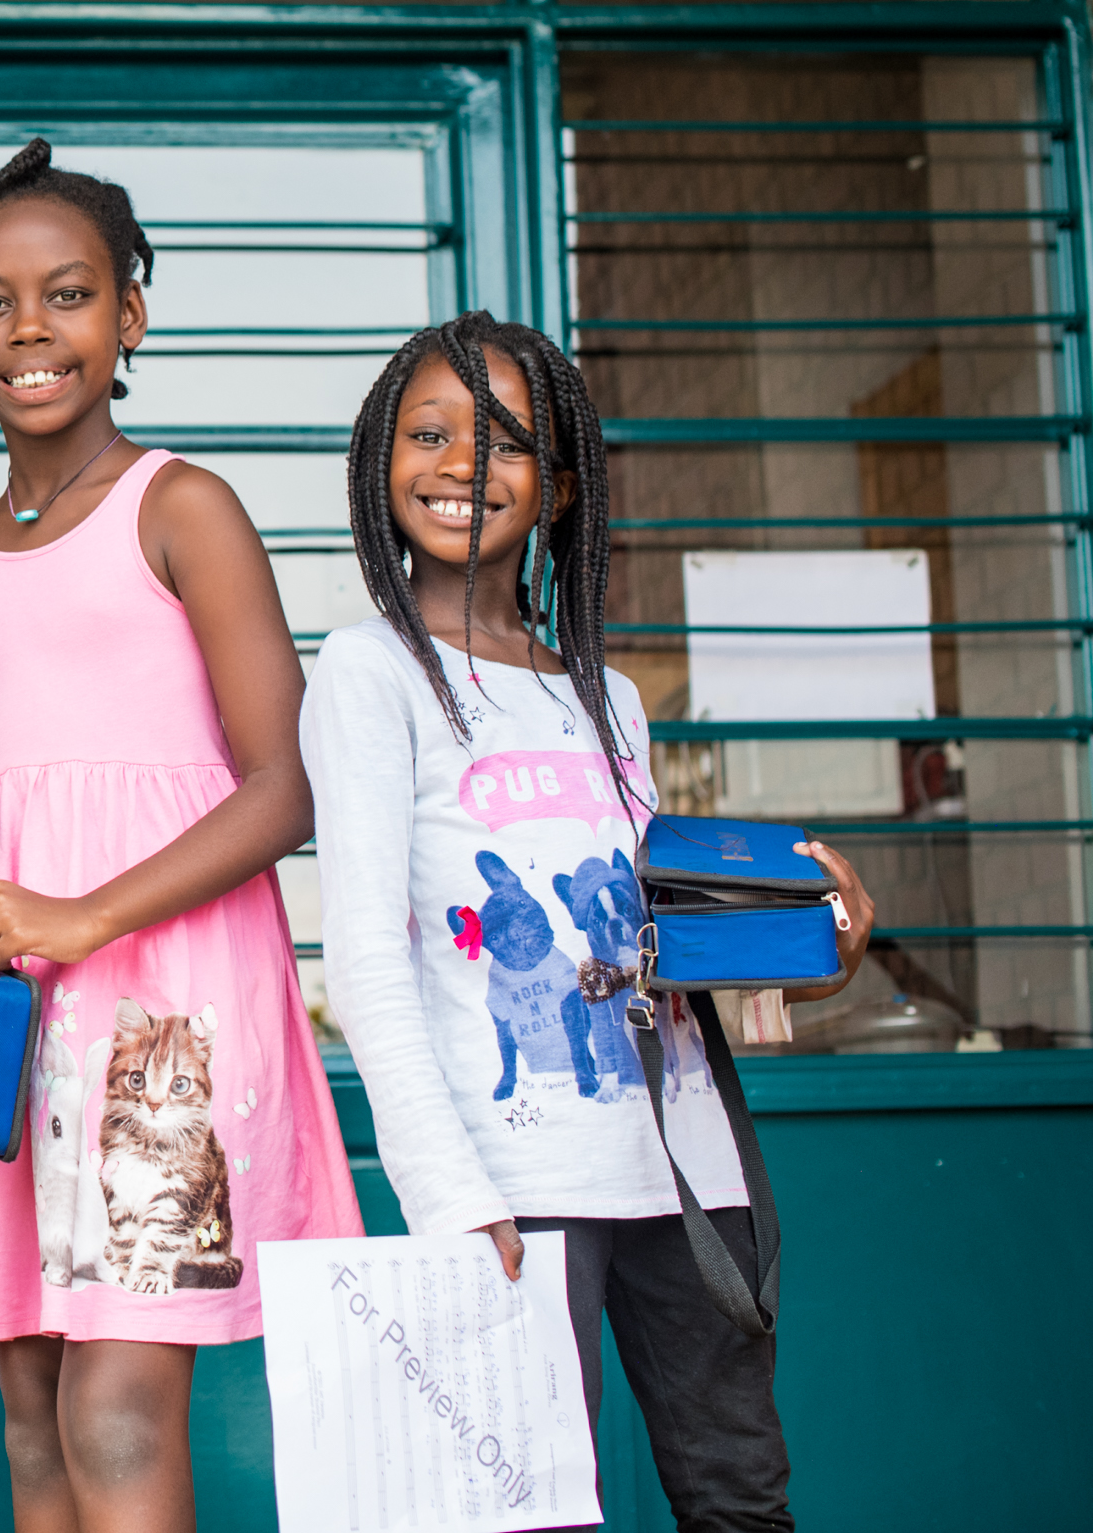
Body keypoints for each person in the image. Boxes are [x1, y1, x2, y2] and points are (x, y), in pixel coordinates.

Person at [0, 139, 361, 1533]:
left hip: (166, 1027)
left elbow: (287, 789)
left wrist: (84, 917)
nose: (29, 331)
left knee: (115, 1406)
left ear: (129, 318)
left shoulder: (183, 507)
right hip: (13, 1034)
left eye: (68, 294)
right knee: (32, 1420)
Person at [304, 310, 877, 1532]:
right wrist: (449, 1191)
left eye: (510, 440)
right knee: (529, 1510)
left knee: (739, 1494)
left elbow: (657, 947)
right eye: (431, 432)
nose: (467, 462)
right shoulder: (368, 673)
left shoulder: (605, 691)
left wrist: (808, 956)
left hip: (681, 1167)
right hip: (515, 1182)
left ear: (559, 486)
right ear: (376, 460)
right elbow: (361, 956)